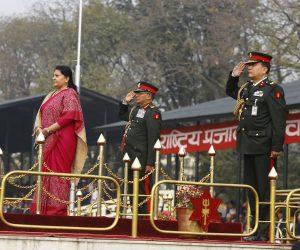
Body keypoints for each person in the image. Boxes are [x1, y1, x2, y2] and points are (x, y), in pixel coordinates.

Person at [226, 51, 287, 241]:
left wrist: (276, 147)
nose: (249, 67)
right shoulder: (248, 88)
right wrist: (233, 77)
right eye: (249, 64)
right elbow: (231, 92)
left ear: (264, 68)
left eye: (253, 64)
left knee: (264, 190)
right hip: (247, 145)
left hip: (264, 147)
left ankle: (264, 230)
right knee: (250, 190)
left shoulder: (272, 89)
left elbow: (279, 121)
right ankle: (254, 228)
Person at [30, 65, 87, 215]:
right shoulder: (51, 95)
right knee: (46, 172)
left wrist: (48, 130)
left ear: (66, 78)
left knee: (59, 173)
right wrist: (41, 131)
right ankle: (42, 210)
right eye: (53, 75)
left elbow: (69, 116)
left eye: (57, 75)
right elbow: (41, 117)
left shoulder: (70, 93)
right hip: (48, 139)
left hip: (63, 138)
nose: (53, 78)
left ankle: (58, 211)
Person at [119, 81, 161, 215]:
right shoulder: (135, 110)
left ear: (148, 95)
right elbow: (122, 115)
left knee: (142, 192)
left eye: (139, 93)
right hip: (129, 157)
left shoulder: (153, 113)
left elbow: (153, 139)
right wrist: (125, 102)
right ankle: (136, 218)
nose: (136, 96)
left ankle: (144, 220)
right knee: (132, 191)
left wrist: (150, 162)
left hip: (142, 160)